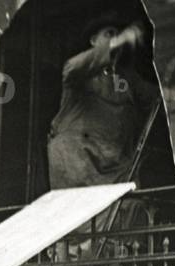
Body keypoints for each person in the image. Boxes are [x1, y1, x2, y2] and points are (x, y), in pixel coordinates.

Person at [47, 11, 159, 190]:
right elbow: (72, 68)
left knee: (131, 206)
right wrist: (121, 39)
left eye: (117, 34)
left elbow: (154, 96)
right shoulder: (79, 73)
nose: (116, 39)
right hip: (79, 161)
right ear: (93, 40)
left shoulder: (127, 79)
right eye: (109, 34)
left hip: (115, 165)